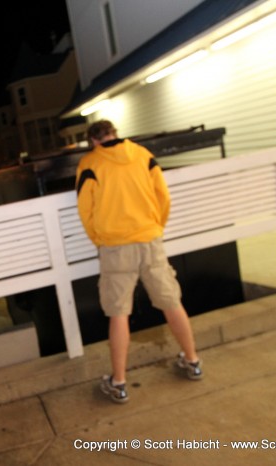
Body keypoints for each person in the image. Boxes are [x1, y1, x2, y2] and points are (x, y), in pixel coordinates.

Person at [75, 120, 203, 404]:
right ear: (115, 135)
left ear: (93, 141)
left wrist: (99, 239)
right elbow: (163, 197)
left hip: (115, 246)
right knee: (171, 301)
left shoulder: (90, 163)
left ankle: (119, 382)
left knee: (119, 312)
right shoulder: (143, 155)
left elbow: (85, 209)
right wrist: (155, 227)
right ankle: (192, 361)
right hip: (149, 239)